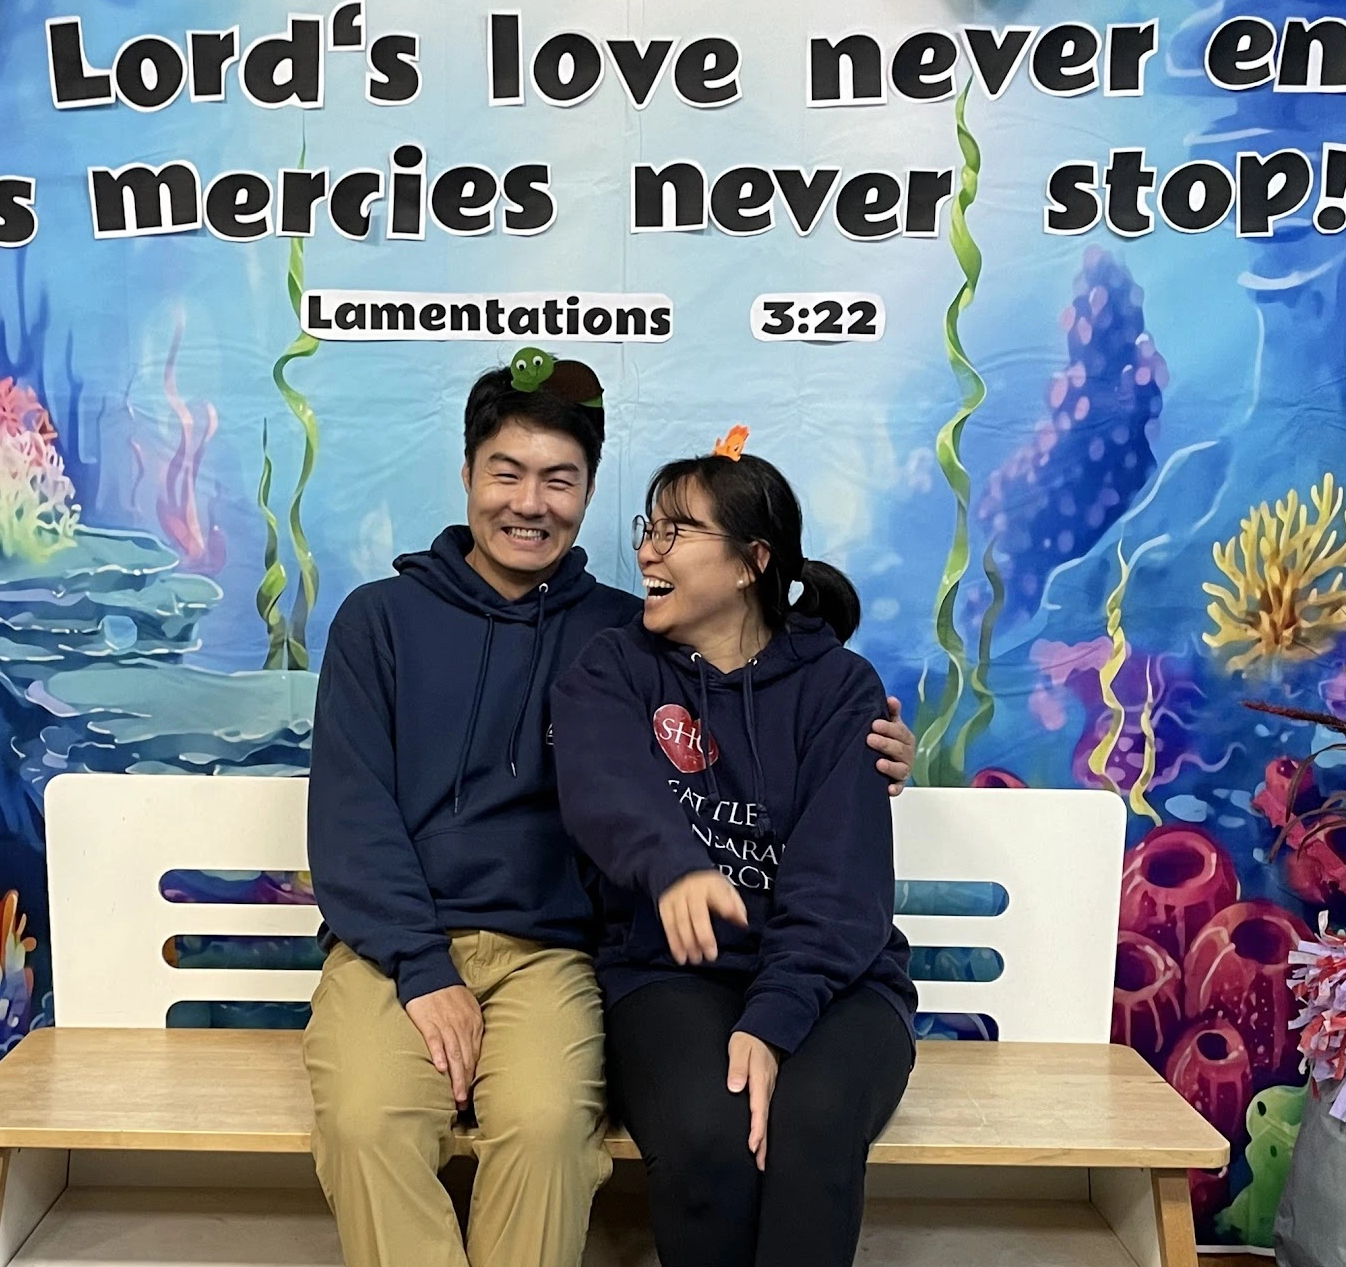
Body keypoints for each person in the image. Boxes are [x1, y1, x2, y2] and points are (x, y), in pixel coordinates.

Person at [303, 358, 917, 1267]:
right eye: (506, 472)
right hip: (397, 948)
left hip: (553, 952)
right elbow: (357, 814)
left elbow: (762, 671)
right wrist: (422, 965)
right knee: (365, 1122)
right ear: (467, 473)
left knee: (549, 1126)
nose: (530, 502)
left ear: (589, 491)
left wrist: (875, 749)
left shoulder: (638, 631)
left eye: (560, 479)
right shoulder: (384, 621)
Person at [552, 434, 917, 1267]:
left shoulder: (840, 688)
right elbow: (604, 783)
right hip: (670, 971)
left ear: (753, 562)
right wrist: (674, 866)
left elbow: (839, 884)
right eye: (649, 528)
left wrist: (773, 1020)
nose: (648, 549)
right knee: (707, 1136)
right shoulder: (613, 666)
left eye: (676, 531)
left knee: (811, 1124)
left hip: (836, 981)